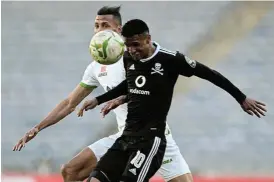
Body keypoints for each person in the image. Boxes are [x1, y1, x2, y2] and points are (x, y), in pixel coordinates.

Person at [13, 6, 195, 182]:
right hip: (124, 137)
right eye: (97, 25)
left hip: (153, 137)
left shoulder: (137, 57)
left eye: (105, 25)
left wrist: (121, 98)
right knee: (71, 171)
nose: (99, 30)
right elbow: (70, 103)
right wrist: (38, 127)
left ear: (119, 29)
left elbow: (155, 89)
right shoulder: (95, 68)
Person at [78, 19, 267, 182]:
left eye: (136, 44)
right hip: (127, 136)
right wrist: (99, 99)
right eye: (128, 45)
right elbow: (130, 83)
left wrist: (241, 98)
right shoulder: (129, 57)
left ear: (148, 39)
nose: (132, 50)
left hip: (150, 141)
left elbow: (210, 74)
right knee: (95, 179)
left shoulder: (170, 60)